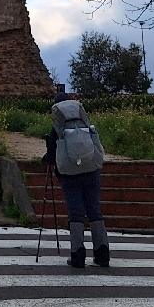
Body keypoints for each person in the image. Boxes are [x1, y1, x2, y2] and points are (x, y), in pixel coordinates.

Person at [43, 91, 108, 269]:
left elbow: (51, 155)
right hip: (91, 171)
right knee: (95, 210)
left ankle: (77, 255)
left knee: (76, 213)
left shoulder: (58, 129)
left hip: (70, 176)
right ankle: (102, 254)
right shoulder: (85, 123)